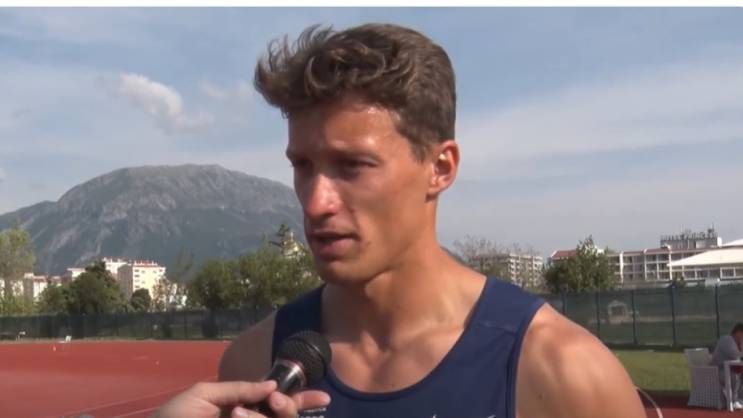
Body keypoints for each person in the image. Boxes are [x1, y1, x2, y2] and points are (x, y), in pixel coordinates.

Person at [199, 23, 645, 418]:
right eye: (302, 166)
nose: (316, 203)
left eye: (352, 165)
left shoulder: (563, 371)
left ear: (440, 168)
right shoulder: (254, 366)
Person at [710, 323, 743, 409]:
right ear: (738, 332)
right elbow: (735, 355)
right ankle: (733, 401)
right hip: (718, 370)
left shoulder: (738, 342)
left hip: (729, 369)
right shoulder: (726, 339)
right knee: (735, 376)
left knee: (739, 374)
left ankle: (739, 399)